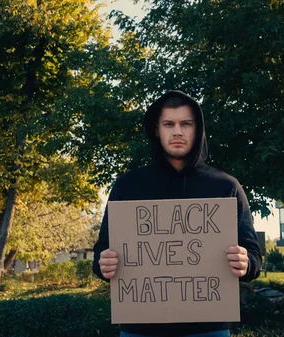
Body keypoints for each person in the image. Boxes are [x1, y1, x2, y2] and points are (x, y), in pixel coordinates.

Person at [93, 90, 262, 337]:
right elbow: (101, 252)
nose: (177, 132)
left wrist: (246, 262)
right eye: (168, 124)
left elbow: (254, 256)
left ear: (198, 130)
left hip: (209, 328)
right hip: (141, 328)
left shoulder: (226, 187)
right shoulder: (127, 186)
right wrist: (103, 264)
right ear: (156, 130)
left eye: (186, 124)